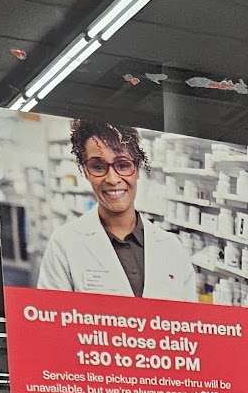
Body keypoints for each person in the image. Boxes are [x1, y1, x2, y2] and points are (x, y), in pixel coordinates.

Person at [36, 120, 198, 299]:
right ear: (85, 171)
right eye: (98, 167)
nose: (112, 179)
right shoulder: (64, 244)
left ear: (137, 168)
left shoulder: (171, 248)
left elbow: (188, 314)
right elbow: (50, 313)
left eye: (122, 165)